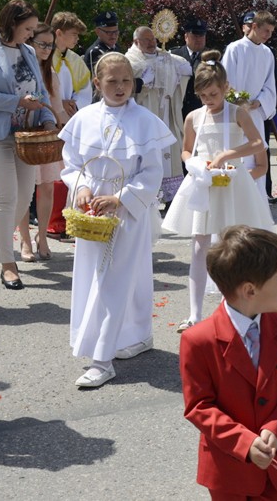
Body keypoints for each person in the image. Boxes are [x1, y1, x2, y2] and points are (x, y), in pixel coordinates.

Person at [60, 52, 176, 388]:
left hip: (126, 210)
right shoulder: (84, 118)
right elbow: (71, 164)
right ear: (97, 83)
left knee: (117, 278)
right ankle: (136, 334)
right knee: (96, 277)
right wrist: (81, 189)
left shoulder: (145, 120)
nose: (121, 87)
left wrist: (121, 199)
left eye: (126, 80)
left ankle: (102, 358)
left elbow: (153, 170)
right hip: (93, 210)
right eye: (112, 81)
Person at [179, 225, 277, 501]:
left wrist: (275, 429)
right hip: (228, 472)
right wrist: (244, 442)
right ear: (250, 290)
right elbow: (199, 406)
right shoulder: (199, 340)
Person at [163, 52, 273, 332]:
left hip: (232, 183)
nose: (208, 100)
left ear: (225, 87)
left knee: (236, 247)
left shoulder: (237, 112)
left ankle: (239, 311)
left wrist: (227, 154)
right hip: (204, 183)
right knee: (199, 247)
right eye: (202, 96)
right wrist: (192, 162)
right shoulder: (193, 117)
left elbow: (258, 144)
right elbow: (186, 149)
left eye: (212, 94)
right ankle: (194, 313)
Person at [0, 0, 58, 290]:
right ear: (12, 23)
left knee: (22, 200)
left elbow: (41, 92)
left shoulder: (28, 51)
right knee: (7, 198)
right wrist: (18, 102)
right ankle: (7, 264)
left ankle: (4, 242)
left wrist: (46, 117)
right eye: (28, 28)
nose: (31, 34)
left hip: (25, 138)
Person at [16, 24, 68, 262]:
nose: (47, 49)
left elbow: (56, 109)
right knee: (23, 191)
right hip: (24, 137)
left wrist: (69, 127)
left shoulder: (51, 75)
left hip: (45, 139)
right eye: (42, 44)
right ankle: (25, 240)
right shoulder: (19, 71)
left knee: (46, 187)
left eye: (50, 45)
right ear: (29, 42)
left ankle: (43, 237)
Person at [125, 25, 192, 201]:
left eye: (153, 39)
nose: (151, 43)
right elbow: (126, 87)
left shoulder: (166, 57)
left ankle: (171, 197)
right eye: (146, 40)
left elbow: (184, 68)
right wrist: (142, 82)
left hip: (167, 113)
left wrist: (181, 70)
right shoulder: (130, 61)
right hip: (145, 112)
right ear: (136, 41)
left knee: (170, 151)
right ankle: (147, 195)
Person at [223, 10, 277, 204]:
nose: (268, 36)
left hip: (255, 114)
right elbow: (226, 81)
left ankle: (257, 204)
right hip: (235, 115)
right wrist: (238, 101)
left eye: (271, 32)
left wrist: (260, 102)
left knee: (257, 161)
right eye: (266, 31)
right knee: (238, 158)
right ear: (254, 26)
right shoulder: (235, 49)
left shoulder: (267, 53)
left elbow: (270, 85)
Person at [47, 11, 92, 242]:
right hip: (48, 120)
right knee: (49, 173)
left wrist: (74, 104)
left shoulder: (74, 60)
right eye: (73, 34)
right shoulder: (43, 55)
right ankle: (52, 222)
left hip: (70, 121)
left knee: (67, 169)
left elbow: (85, 90)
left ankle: (64, 220)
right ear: (59, 33)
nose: (76, 40)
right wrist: (57, 102)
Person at [171, 16, 210, 118]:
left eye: (201, 35)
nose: (199, 39)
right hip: (178, 109)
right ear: (186, 37)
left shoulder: (211, 56)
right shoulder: (175, 55)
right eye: (195, 35)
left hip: (201, 108)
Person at [84, 11, 120, 76]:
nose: (113, 36)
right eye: (108, 32)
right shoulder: (94, 52)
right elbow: (95, 80)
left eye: (116, 32)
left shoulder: (116, 47)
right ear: (98, 32)